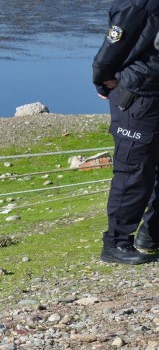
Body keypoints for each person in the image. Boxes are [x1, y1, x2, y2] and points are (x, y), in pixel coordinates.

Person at [93, 0, 159, 264]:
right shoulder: (136, 3)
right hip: (138, 95)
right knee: (134, 170)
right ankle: (116, 243)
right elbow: (112, 46)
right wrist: (102, 79)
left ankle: (152, 234)